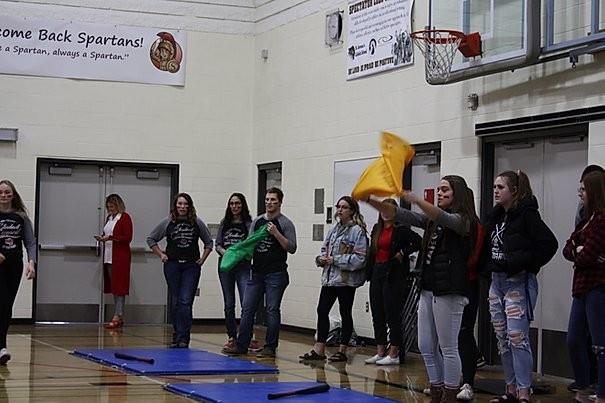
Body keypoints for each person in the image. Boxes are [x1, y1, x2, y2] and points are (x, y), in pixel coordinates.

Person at [365, 175, 478, 403]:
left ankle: (450, 393)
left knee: (448, 346)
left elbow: (444, 217)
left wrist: (417, 199)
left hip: (450, 291)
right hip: (428, 288)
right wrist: (370, 200)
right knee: (426, 345)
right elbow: (401, 214)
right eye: (439, 189)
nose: (440, 193)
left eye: (445, 190)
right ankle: (436, 389)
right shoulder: (432, 221)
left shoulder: (464, 221)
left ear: (457, 193)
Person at [485, 170, 557, 403]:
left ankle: (524, 391)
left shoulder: (527, 215)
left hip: (517, 281)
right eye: (494, 187)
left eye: (501, 187)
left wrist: (524, 264)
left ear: (514, 191)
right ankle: (511, 389)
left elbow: (549, 244)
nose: (496, 191)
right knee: (503, 339)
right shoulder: (495, 216)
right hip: (496, 282)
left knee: (517, 337)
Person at [223, 187, 297, 358]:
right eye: (267, 200)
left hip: (276, 273)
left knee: (272, 309)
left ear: (280, 202)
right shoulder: (257, 222)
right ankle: (242, 344)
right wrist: (236, 254)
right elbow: (250, 243)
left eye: (273, 200)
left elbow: (292, 247)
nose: (269, 203)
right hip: (256, 273)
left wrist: (276, 234)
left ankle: (270, 346)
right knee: (247, 308)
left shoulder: (285, 223)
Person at [299, 196, 368, 363]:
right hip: (330, 279)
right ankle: (319, 349)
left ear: (352, 210)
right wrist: (320, 259)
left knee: (345, 312)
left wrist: (336, 260)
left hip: (346, 280)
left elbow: (360, 258)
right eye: (338, 207)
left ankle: (342, 350)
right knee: (322, 310)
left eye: (344, 207)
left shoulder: (357, 231)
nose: (340, 210)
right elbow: (325, 249)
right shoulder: (334, 229)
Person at [147, 193, 213, 348]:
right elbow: (151, 239)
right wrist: (161, 254)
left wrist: (202, 259)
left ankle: (183, 338)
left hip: (191, 266)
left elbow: (209, 242)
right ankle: (177, 334)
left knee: (185, 301)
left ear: (189, 206)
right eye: (180, 204)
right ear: (175, 206)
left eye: (185, 204)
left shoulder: (197, 222)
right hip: (173, 266)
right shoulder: (168, 222)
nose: (182, 207)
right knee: (176, 301)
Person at [363, 198, 421, 366]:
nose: (386, 213)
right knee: (377, 312)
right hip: (377, 271)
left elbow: (418, 242)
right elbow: (372, 252)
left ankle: (394, 351)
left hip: (393, 273)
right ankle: (380, 350)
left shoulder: (401, 230)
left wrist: (403, 252)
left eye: (390, 210)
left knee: (392, 313)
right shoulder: (377, 228)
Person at [564, 171, 605, 403]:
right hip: (581, 287)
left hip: (598, 286)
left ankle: (602, 394)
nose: (580, 194)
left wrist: (579, 251)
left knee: (600, 343)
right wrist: (577, 249)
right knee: (574, 339)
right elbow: (567, 248)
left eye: (583, 190)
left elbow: (586, 256)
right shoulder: (585, 220)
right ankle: (583, 385)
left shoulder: (602, 221)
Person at [0, 180, 36, 365]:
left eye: (7, 192)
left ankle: (1, 346)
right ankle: (2, 346)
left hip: (14, 266)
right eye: (1, 192)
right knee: (2, 302)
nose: (4, 195)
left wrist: (31, 263)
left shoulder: (21, 217)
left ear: (13, 194)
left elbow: (30, 242)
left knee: (7, 307)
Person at [215, 193, 252, 349]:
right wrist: (226, 253)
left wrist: (239, 254)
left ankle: (246, 336)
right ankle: (232, 336)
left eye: (237, 203)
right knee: (229, 303)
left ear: (242, 205)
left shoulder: (249, 223)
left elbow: (251, 244)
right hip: (226, 266)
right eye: (232, 204)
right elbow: (218, 244)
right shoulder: (224, 223)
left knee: (246, 302)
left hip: (243, 266)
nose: (235, 206)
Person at [457, 188, 483, 401]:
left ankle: (468, 382)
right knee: (448, 337)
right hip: (449, 286)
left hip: (467, 283)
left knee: (464, 332)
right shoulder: (447, 223)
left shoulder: (474, 225)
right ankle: (447, 380)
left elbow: (474, 258)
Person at [95, 194, 133, 329]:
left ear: (118, 206)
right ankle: (119, 314)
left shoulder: (125, 218)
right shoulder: (109, 218)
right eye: (108, 207)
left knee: (120, 287)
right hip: (109, 256)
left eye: (112, 207)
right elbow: (108, 234)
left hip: (120, 257)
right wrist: (103, 238)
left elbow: (127, 237)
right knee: (114, 287)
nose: (110, 209)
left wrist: (110, 237)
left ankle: (118, 314)